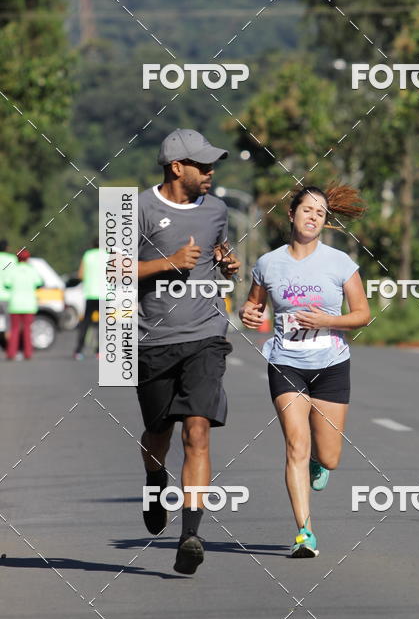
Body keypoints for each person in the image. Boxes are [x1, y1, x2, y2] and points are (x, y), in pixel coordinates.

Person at [240, 185, 370, 558]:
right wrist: (247, 315)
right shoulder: (268, 263)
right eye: (307, 210)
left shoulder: (340, 263)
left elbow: (362, 314)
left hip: (330, 364)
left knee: (328, 457)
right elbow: (253, 306)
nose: (314, 217)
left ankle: (319, 463)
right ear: (291, 214)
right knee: (295, 444)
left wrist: (328, 319)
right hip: (285, 362)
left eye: (321, 213)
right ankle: (304, 532)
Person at [137, 128, 240, 575]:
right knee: (157, 435)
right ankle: (155, 482)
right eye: (202, 165)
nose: (210, 170)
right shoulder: (137, 207)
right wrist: (167, 263)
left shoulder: (217, 209)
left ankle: (191, 534)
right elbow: (111, 268)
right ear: (177, 168)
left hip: (206, 333)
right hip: (153, 339)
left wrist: (227, 261)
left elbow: (216, 252)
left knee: (197, 430)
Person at [3, 249, 43, 360]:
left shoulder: (13, 270)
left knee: (14, 330)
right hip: (29, 305)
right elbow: (39, 283)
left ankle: (11, 353)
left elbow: (7, 284)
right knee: (27, 330)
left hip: (15, 304)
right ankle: (28, 353)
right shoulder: (32, 270)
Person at [73, 238, 105, 359]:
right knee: (102, 324)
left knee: (85, 323)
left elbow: (80, 274)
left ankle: (79, 350)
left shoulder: (87, 255)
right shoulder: (108, 256)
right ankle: (99, 351)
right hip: (104, 294)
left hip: (90, 293)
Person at [0, 239, 18, 347]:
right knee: (9, 325)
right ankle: (9, 348)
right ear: (7, 248)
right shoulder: (12, 259)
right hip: (7, 296)